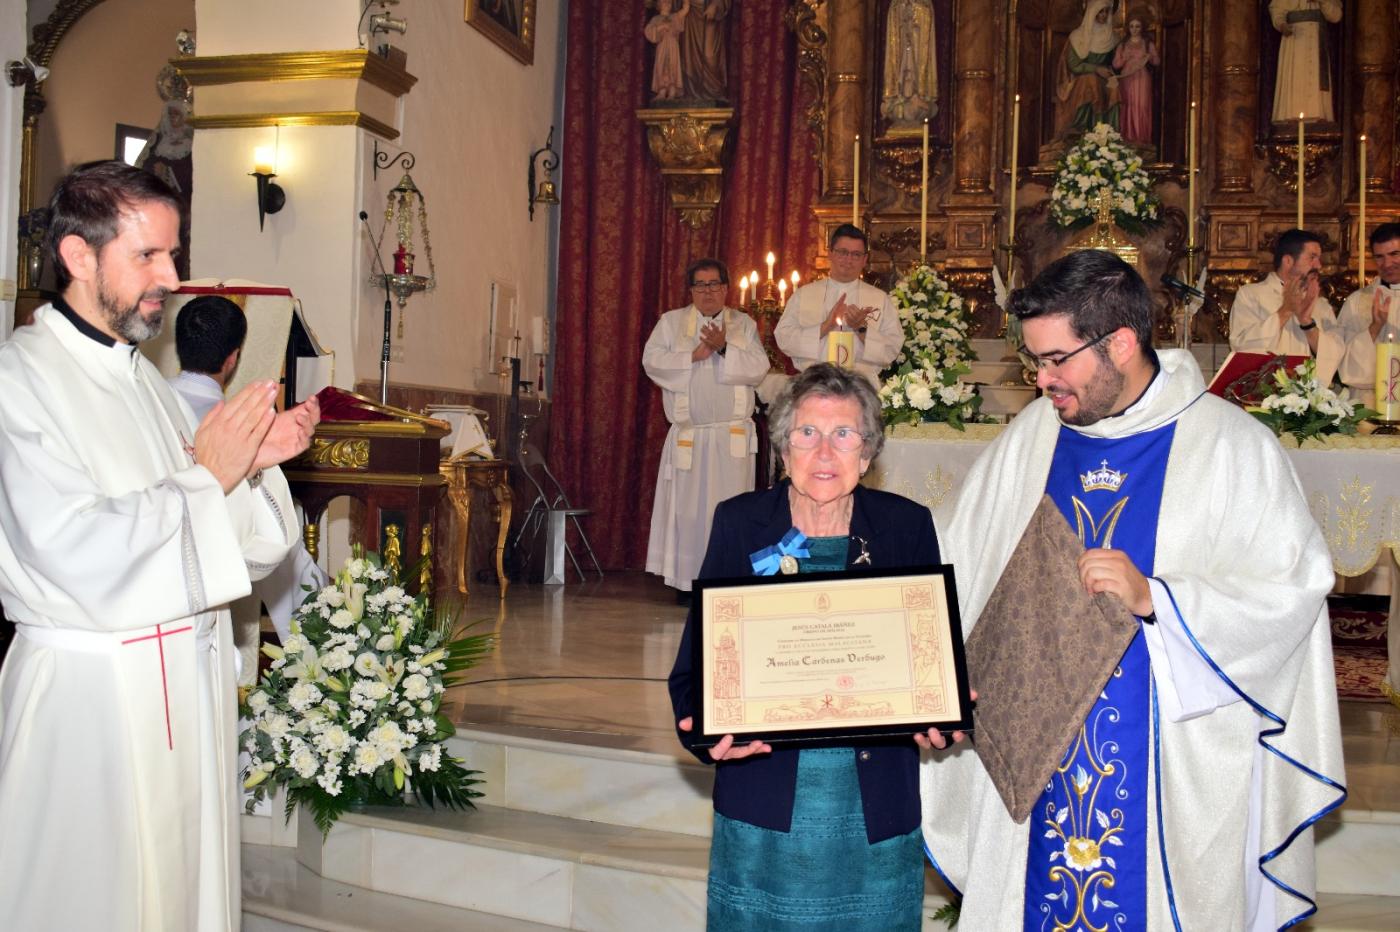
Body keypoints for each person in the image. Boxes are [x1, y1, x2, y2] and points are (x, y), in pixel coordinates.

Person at [920, 250, 1345, 930]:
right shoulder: (1034, 437)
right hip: (1034, 753)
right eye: (1034, 360)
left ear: (1120, 341)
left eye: (1057, 359)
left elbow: (1294, 586)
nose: (1041, 380)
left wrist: (1161, 599)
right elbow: (955, 554)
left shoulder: (1228, 446)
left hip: (1167, 761)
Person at [0, 160, 320, 930]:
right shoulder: (21, 379)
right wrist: (210, 479)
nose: (171, 278)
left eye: (172, 255)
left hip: (182, 688)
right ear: (79, 256)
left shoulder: (146, 382)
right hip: (93, 704)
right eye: (148, 256)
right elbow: (70, 548)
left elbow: (232, 548)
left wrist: (253, 470)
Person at [670, 363, 963, 930]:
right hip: (765, 797)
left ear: (868, 451)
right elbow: (693, 672)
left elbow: (932, 655)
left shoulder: (906, 526)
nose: (824, 452)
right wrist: (710, 735)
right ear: (782, 449)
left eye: (844, 434)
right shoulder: (740, 522)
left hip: (872, 802)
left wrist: (942, 712)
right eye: (807, 433)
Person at [169, 294, 329, 645]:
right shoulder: (245, 432)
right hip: (214, 617)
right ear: (233, 358)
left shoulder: (147, 410)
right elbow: (279, 550)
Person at [644, 258, 769, 597]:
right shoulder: (671, 324)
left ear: (726, 289)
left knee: (731, 510)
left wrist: (724, 348)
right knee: (688, 512)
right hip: (692, 436)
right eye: (700, 285)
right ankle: (688, 583)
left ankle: (726, 582)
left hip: (731, 440)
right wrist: (695, 355)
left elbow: (759, 368)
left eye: (715, 284)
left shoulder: (742, 325)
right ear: (691, 290)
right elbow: (651, 362)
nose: (708, 291)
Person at [775, 224, 904, 388]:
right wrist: (825, 326)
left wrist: (861, 328)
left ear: (865, 259)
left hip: (862, 386)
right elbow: (784, 338)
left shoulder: (880, 299)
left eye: (856, 254)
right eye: (843, 252)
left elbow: (892, 349)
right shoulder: (804, 295)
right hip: (813, 384)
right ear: (830, 253)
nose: (848, 260)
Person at [1229, 228, 1343, 383]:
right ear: (1288, 261)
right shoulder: (1251, 295)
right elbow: (1242, 347)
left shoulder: (1321, 304)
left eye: (1319, 258)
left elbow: (1335, 356)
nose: (1319, 265)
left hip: (1307, 396)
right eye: (1312, 257)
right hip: (1263, 395)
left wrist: (1306, 322)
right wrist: (1286, 310)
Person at [1337, 222, 1400, 405]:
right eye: (1379, 257)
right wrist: (1375, 327)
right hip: (1368, 405)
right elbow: (1344, 365)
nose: (1387, 264)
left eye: (1394, 254)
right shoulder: (1357, 301)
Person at [1053, 0, 1121, 141]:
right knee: (1091, 81)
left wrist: (1112, 71)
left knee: (1116, 89)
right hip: (1081, 78)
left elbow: (1117, 62)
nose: (1103, 15)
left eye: (1106, 12)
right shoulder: (1077, 36)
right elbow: (1073, 65)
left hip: (1106, 78)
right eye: (1100, 11)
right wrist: (1096, 69)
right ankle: (1082, 128)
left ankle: (1109, 133)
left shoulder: (1113, 38)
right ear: (1092, 12)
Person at [1269, 0, 1343, 124]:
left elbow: (1336, 16)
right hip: (1295, 38)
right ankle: (1290, 117)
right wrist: (1282, 24)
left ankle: (1319, 117)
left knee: (1316, 77)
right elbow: (1277, 9)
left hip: (1317, 40)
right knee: (1295, 76)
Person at [1113, 16, 1158, 145]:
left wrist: (1149, 57)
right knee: (1128, 105)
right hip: (1127, 78)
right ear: (1128, 27)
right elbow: (1116, 64)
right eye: (1132, 26)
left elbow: (1156, 61)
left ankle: (1142, 138)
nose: (1134, 29)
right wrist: (1124, 59)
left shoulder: (1147, 43)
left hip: (1142, 78)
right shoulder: (1122, 44)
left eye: (1137, 26)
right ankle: (1127, 137)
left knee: (1142, 105)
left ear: (1142, 27)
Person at [644, 0, 691, 102]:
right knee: (661, 66)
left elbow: (685, 9)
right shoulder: (656, 19)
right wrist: (661, 27)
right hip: (662, 46)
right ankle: (662, 91)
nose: (666, 4)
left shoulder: (674, 17)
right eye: (664, 2)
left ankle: (672, 91)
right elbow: (648, 31)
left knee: (672, 65)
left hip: (673, 45)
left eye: (669, 2)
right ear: (659, 5)